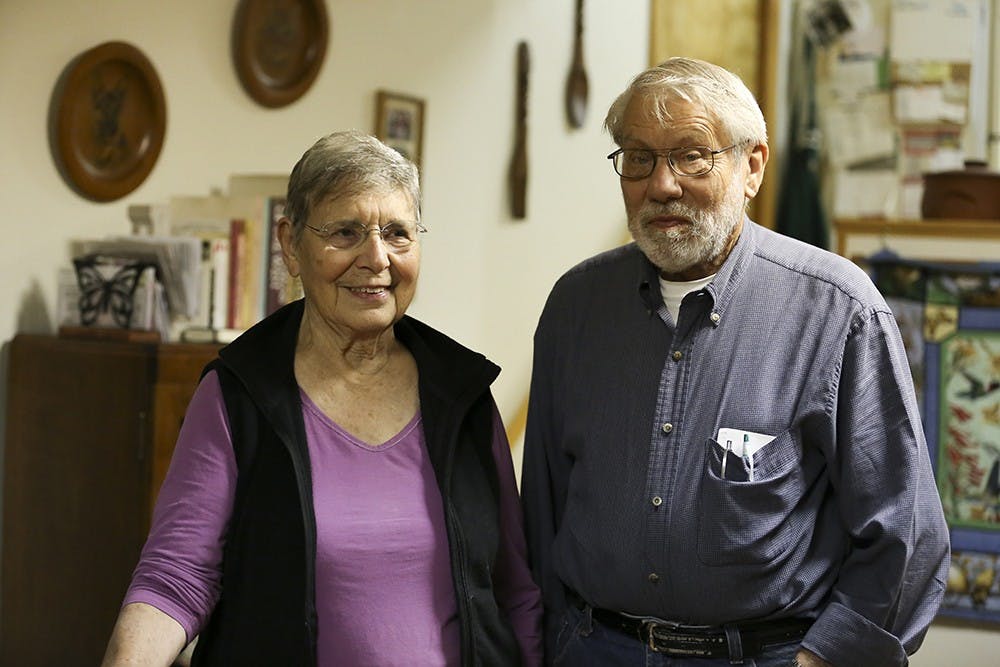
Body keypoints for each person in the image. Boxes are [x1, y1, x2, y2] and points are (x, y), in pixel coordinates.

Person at [521, 57, 949, 667]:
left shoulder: (838, 310)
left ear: (752, 166)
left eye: (692, 155)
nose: (662, 184)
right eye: (638, 157)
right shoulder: (576, 306)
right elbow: (543, 508)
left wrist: (827, 660)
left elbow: (906, 535)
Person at [102, 130, 542, 666]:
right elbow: (176, 576)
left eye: (398, 233)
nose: (376, 258)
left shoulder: (464, 393)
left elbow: (515, 589)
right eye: (346, 232)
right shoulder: (239, 394)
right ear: (290, 245)